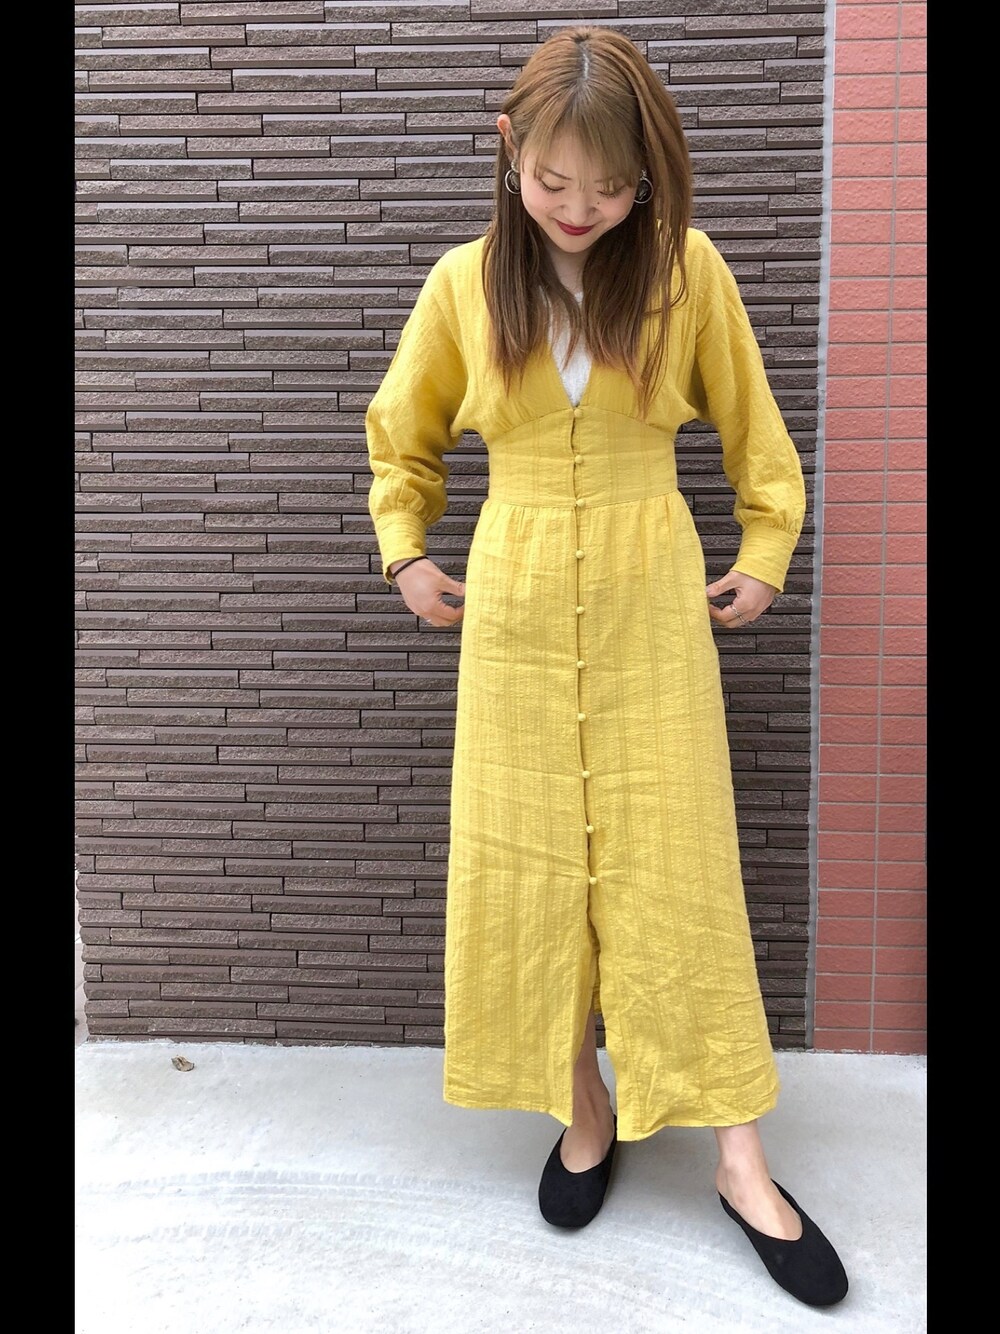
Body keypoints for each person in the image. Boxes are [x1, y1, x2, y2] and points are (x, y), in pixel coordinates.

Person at [365, 25, 848, 1310]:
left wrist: (767, 546)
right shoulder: (465, 285)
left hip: (649, 599)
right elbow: (402, 436)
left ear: (650, 179)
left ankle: (738, 1157)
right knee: (527, 865)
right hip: (515, 606)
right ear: (509, 150)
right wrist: (405, 549)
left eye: (614, 187)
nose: (581, 210)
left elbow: (756, 432)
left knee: (676, 865)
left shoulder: (689, 272)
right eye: (554, 182)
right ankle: (582, 1106)